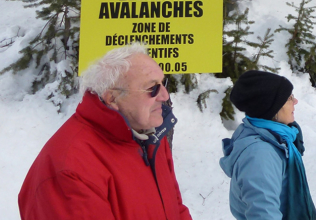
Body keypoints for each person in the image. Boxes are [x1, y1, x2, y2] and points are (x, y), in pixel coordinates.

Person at [18, 44, 192, 220]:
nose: (164, 95)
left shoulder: (149, 132)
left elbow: (175, 207)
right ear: (113, 99)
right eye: (152, 89)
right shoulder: (71, 170)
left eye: (163, 83)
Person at [220, 70, 316, 220]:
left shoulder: (277, 139)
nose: (295, 101)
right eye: (289, 98)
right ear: (272, 109)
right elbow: (263, 215)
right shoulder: (260, 154)